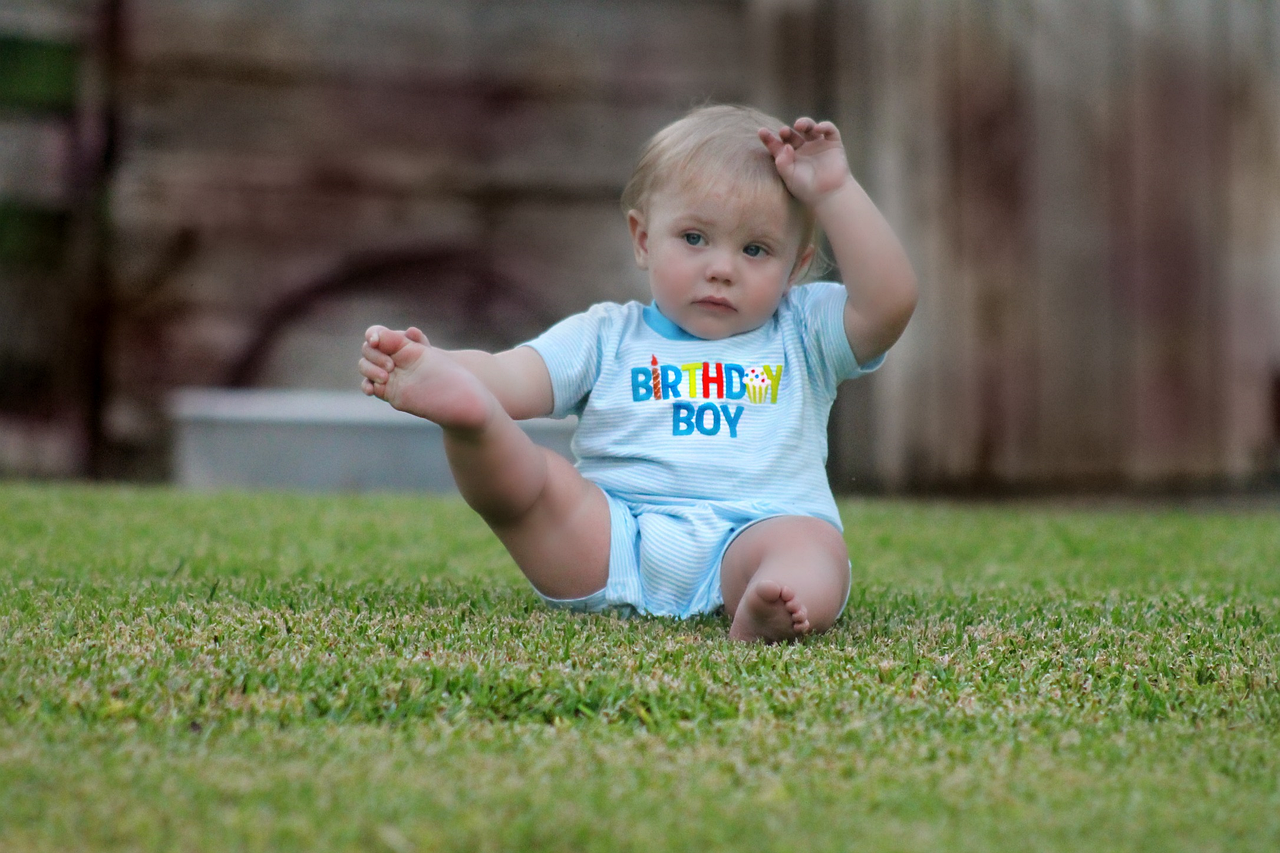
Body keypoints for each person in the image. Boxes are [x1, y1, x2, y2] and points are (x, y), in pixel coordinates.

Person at [358, 105, 916, 642]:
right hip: (611, 538)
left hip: (753, 535)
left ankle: (771, 604)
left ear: (795, 267)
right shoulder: (606, 336)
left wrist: (835, 192)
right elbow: (511, 374)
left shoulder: (803, 332)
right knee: (541, 482)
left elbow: (889, 303)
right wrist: (443, 367)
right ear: (645, 240)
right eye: (694, 238)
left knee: (813, 547)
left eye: (755, 249)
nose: (721, 269)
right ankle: (471, 422)